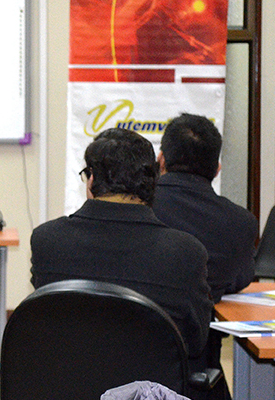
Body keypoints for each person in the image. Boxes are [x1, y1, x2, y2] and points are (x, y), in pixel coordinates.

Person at [30, 127, 212, 360]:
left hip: (64, 378)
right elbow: (196, 343)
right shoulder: (186, 252)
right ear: (154, 181)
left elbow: (43, 324)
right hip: (150, 382)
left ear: (91, 179)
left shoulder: (47, 241)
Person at [152, 113, 258, 400]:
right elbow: (241, 280)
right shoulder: (240, 223)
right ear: (217, 168)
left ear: (161, 160)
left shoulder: (138, 209)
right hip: (196, 383)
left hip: (123, 373)